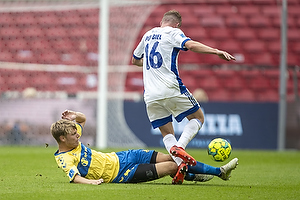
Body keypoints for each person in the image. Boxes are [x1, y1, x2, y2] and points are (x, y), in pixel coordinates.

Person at [131, 10, 236, 183]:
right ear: (177, 24)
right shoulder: (173, 32)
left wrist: (149, 63)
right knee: (198, 117)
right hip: (171, 88)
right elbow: (191, 45)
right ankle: (179, 147)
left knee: (166, 133)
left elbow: (135, 60)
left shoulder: (148, 34)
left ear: (162, 21)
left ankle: (183, 167)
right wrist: (216, 51)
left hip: (150, 95)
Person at [51, 110, 238, 185]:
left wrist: (75, 115)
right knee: (173, 166)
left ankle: (214, 172)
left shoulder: (72, 137)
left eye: (77, 132)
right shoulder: (64, 158)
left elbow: (82, 120)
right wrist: (93, 182)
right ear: (62, 139)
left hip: (121, 156)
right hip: (122, 174)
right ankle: (216, 172)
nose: (78, 135)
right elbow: (74, 177)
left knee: (175, 158)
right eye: (73, 134)